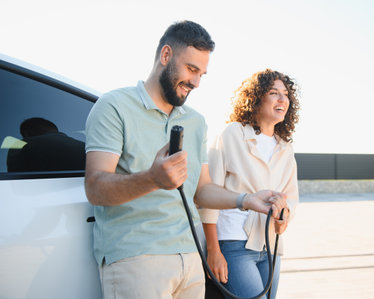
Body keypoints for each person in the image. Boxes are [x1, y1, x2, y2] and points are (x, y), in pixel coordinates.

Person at [84, 21, 287, 299]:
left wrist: (245, 200)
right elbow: (95, 188)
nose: (196, 82)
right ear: (166, 56)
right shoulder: (114, 106)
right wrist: (151, 179)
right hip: (137, 258)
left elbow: (201, 190)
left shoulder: (196, 121)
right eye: (192, 69)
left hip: (191, 259)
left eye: (202, 74)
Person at [200, 69, 300, 299]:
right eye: (274, 93)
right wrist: (214, 250)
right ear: (255, 98)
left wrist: (284, 216)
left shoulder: (285, 148)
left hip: (271, 247)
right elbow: (207, 195)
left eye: (285, 94)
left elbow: (291, 198)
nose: (282, 99)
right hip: (235, 245)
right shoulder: (231, 134)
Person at [7, 117, 85, 172]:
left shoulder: (22, 146)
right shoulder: (86, 149)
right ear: (55, 129)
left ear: (26, 133)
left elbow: (15, 182)